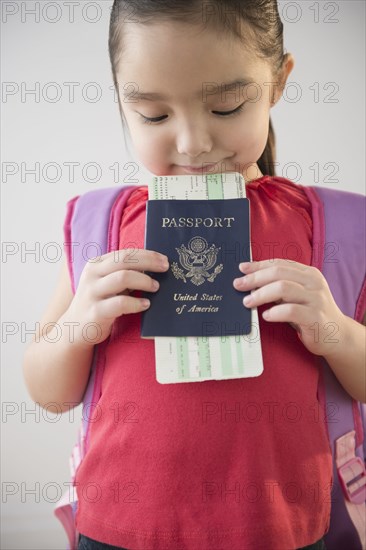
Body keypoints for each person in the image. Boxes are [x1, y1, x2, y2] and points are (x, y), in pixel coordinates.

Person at [22, 1, 366, 549]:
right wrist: (81, 323)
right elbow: (48, 391)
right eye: (154, 115)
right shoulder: (101, 224)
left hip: (283, 531)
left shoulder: (336, 228)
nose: (192, 143)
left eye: (227, 107)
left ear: (277, 83)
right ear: (120, 99)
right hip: (118, 530)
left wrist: (335, 331)